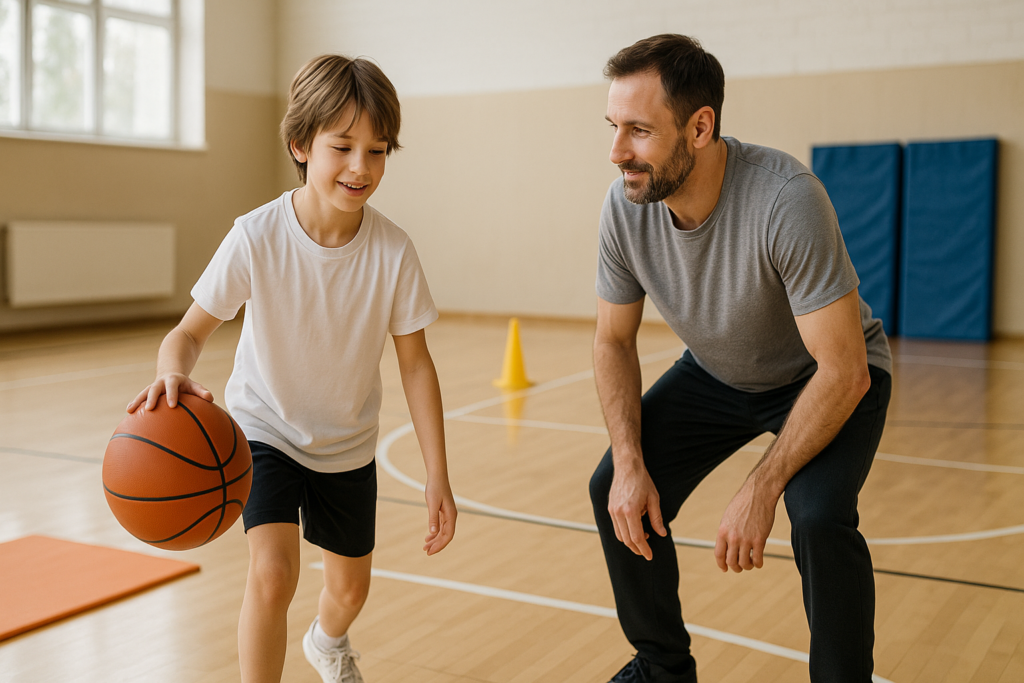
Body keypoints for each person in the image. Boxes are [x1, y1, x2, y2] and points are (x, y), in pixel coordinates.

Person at [127, 54, 457, 683]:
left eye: (377, 151)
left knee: (350, 591)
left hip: (347, 444)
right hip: (264, 430)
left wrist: (436, 472)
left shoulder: (393, 251)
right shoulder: (256, 236)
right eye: (343, 147)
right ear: (301, 145)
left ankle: (327, 642)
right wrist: (171, 370)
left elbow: (416, 366)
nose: (361, 167)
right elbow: (188, 332)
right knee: (273, 574)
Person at [589, 34, 891, 683]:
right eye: (613, 127)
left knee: (818, 517)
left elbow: (845, 371)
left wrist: (762, 484)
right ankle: (662, 668)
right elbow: (613, 340)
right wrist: (630, 462)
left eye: (639, 130)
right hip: (718, 372)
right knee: (612, 485)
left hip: (825, 376)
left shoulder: (786, 198)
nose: (617, 152)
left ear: (700, 128)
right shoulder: (626, 206)